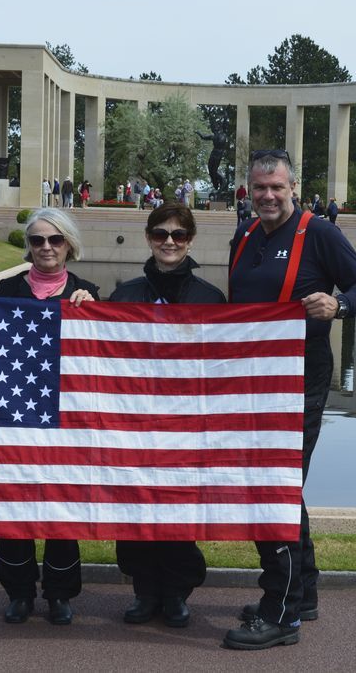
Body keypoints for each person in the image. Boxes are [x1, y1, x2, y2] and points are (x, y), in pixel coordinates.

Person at [223, 150, 356, 650]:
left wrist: (340, 305)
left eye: (277, 187)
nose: (268, 196)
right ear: (249, 189)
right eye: (259, 187)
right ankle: (304, 593)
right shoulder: (244, 235)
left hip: (302, 379)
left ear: (293, 188)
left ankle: (281, 613)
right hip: (252, 379)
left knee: (275, 487)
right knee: (285, 485)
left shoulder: (321, 233)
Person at [0, 208, 97, 626]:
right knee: (15, 508)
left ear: (69, 245)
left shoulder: (89, 293)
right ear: (28, 246)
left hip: (69, 418)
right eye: (38, 240)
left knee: (62, 511)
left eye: (55, 240)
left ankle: (60, 595)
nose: (46, 247)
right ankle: (19, 593)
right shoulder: (5, 290)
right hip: (15, 416)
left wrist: (96, 313)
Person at [109, 202, 225, 628]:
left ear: (190, 240)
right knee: (136, 507)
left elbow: (221, 368)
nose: (170, 242)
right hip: (135, 422)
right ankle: (144, 590)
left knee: (178, 510)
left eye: (178, 235)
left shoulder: (210, 298)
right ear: (149, 238)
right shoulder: (124, 295)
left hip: (186, 424)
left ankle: (176, 592)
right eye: (161, 234)